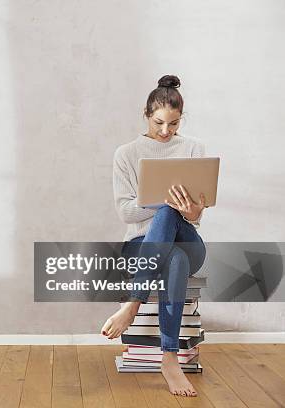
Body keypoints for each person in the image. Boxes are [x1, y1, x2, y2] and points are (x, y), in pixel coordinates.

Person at [100, 75, 207, 397]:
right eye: (159, 122)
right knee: (169, 247)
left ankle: (134, 303)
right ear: (146, 114)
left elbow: (197, 215)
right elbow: (126, 213)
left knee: (170, 217)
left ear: (181, 120)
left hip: (189, 242)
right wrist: (164, 200)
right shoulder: (126, 154)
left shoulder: (193, 148)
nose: (165, 131)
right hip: (141, 245)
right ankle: (170, 358)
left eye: (173, 124)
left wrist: (189, 209)